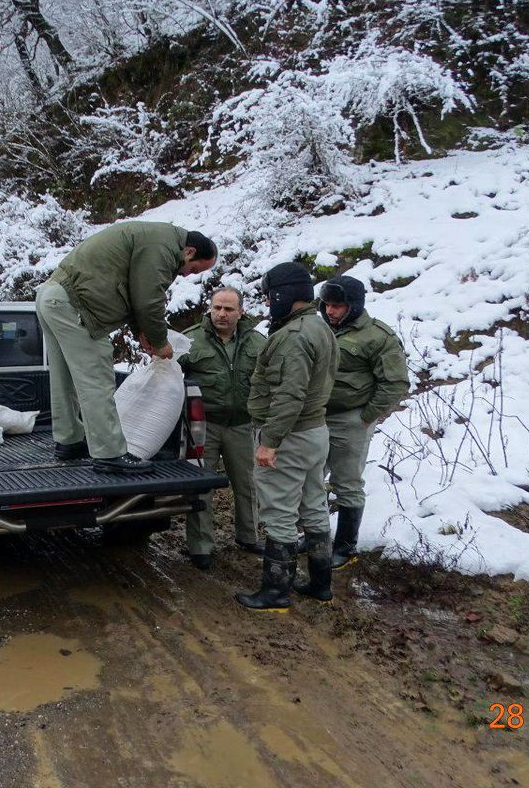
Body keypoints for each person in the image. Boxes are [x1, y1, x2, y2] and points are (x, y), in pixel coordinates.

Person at [35, 221, 217, 474]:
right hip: (77, 306)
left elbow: (132, 288)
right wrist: (160, 341)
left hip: (53, 296)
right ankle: (109, 454)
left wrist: (140, 332)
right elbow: (148, 298)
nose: (188, 275)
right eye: (193, 269)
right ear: (189, 252)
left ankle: (69, 440)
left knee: (64, 376)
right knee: (96, 378)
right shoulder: (163, 247)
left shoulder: (155, 237)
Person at [236, 262, 337, 611]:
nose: (267, 303)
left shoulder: (293, 337)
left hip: (290, 437)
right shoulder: (319, 326)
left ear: (285, 294)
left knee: (279, 512)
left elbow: (289, 394)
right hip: (314, 432)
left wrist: (270, 441)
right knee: (313, 505)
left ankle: (276, 592)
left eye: (269, 296)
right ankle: (322, 585)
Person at [318, 275, 409, 569]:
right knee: (311, 480)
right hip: (315, 416)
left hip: (351, 419)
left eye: (338, 306)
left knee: (347, 483)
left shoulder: (377, 336)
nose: (330, 311)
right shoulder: (319, 329)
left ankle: (345, 547)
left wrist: (366, 417)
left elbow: (395, 383)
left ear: (353, 306)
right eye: (327, 305)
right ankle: (315, 536)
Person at [179, 287, 267, 570]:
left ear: (240, 312)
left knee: (247, 483)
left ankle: (248, 536)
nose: (221, 314)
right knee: (201, 486)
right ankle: (201, 547)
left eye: (229, 309)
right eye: (217, 307)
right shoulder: (191, 341)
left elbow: (269, 380)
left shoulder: (257, 342)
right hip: (203, 425)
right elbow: (168, 378)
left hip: (242, 424)